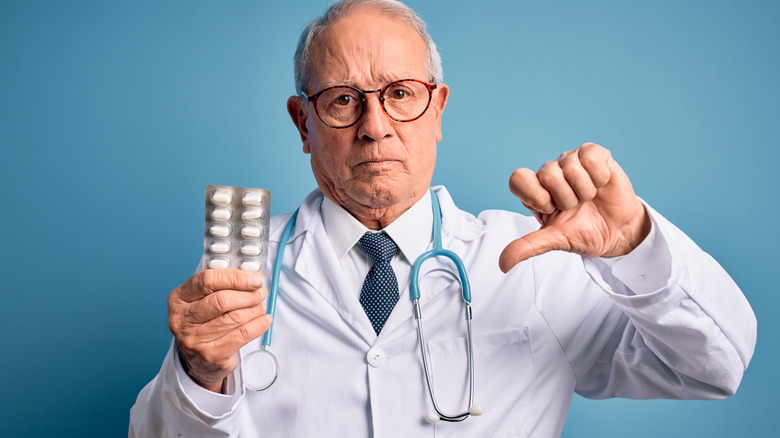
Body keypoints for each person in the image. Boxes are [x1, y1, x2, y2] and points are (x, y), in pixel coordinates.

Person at [129, 0, 757, 436]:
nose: (376, 128)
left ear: (437, 109)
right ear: (304, 123)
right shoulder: (237, 270)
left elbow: (715, 369)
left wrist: (634, 248)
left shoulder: (533, 259)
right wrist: (198, 375)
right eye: (343, 101)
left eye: (400, 94)